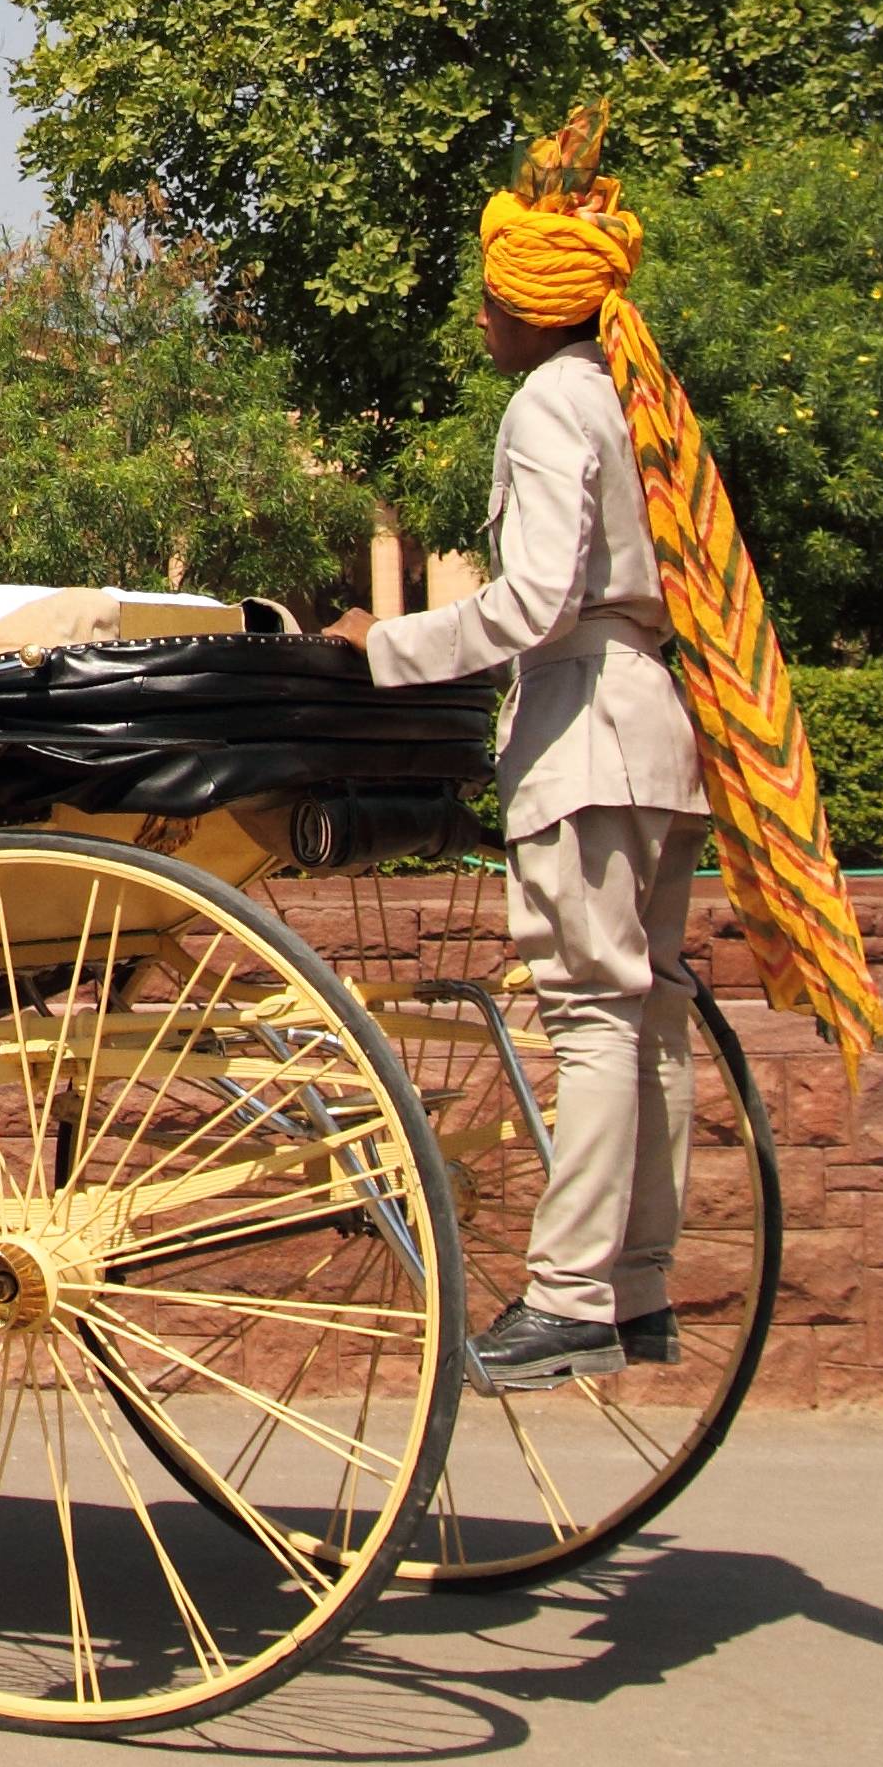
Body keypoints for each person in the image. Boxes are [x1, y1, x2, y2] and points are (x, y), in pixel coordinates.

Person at [331, 127, 704, 1392]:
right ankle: (638, 1277)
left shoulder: (549, 401)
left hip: (586, 726)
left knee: (595, 1010)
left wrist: (388, 645)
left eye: (490, 294)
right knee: (647, 1007)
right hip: (655, 728)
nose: (479, 315)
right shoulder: (630, 399)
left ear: (528, 306)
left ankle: (572, 1292)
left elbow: (537, 597)